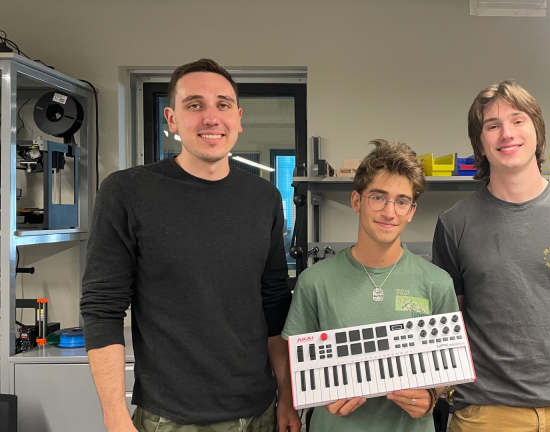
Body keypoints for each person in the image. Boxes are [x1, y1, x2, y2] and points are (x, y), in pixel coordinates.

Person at [80, 58, 301, 432]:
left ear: (238, 118)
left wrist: (287, 398)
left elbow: (274, 301)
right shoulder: (127, 192)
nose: (211, 118)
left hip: (259, 410)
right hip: (171, 417)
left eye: (223, 105)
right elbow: (102, 307)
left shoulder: (264, 197)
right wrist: (115, 416)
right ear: (171, 119)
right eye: (194, 105)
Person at [432, 81, 550, 432]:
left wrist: (547, 369)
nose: (507, 133)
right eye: (492, 125)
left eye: (517, 120)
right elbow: (453, 324)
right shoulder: (453, 224)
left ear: (537, 129)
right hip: (486, 415)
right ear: (480, 143)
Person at [282, 140, 459, 432]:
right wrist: (321, 391)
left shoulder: (437, 283)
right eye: (378, 197)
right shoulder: (314, 282)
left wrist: (431, 397)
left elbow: (446, 365)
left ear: (411, 210)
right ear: (356, 201)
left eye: (401, 201)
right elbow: (297, 363)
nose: (389, 212)